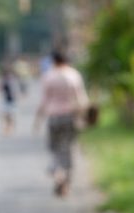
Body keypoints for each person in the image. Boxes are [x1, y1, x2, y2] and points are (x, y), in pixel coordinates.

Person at [34, 50, 89, 197]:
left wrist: (38, 120)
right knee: (69, 148)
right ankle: (66, 180)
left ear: (54, 61)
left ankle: (58, 173)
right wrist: (84, 117)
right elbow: (81, 99)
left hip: (53, 118)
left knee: (55, 148)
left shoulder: (49, 76)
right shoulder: (73, 75)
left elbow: (44, 101)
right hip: (70, 117)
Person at [0, 62, 17, 135]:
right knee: (5, 116)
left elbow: (14, 90)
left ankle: (9, 128)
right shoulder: (5, 80)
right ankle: (7, 129)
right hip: (6, 100)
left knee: (9, 116)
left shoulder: (10, 80)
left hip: (10, 100)